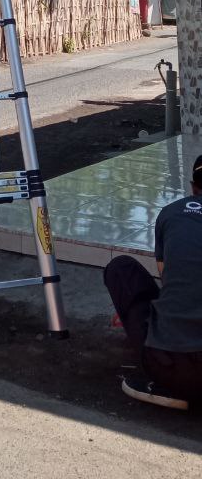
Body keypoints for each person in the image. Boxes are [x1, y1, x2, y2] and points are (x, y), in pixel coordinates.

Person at [103, 154, 202, 410]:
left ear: (193, 187)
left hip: (170, 367)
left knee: (121, 268)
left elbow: (166, 277)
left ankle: (177, 388)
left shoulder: (172, 213)